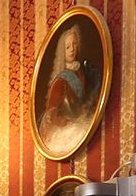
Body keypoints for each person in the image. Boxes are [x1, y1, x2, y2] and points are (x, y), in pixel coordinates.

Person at [37, 22, 100, 156]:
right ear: (62, 52)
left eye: (74, 44)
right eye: (67, 47)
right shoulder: (61, 81)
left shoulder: (84, 71)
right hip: (65, 126)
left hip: (83, 121)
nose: (71, 49)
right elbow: (51, 114)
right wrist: (65, 121)